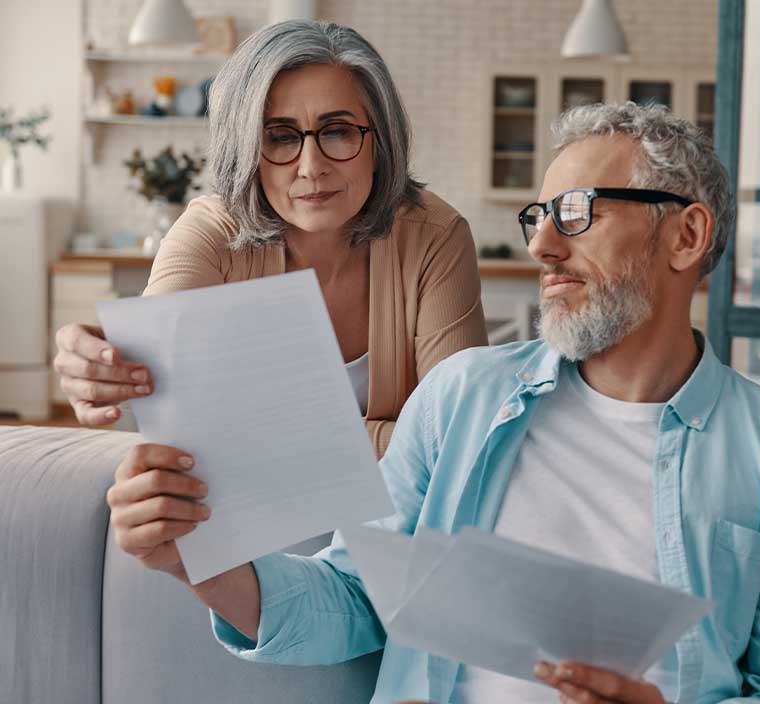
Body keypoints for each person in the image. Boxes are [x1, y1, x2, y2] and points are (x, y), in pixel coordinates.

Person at [106, 102, 760, 703]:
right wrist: (193, 559)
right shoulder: (461, 397)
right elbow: (352, 598)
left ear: (687, 235)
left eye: (579, 211)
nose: (542, 248)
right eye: (539, 217)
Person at [52, 21, 487, 457]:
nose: (311, 166)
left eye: (337, 131)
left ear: (380, 142)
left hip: (394, 519)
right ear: (244, 150)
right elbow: (159, 394)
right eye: (279, 137)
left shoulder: (436, 236)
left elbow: (452, 438)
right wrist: (102, 365)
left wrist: (270, 438)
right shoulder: (209, 233)